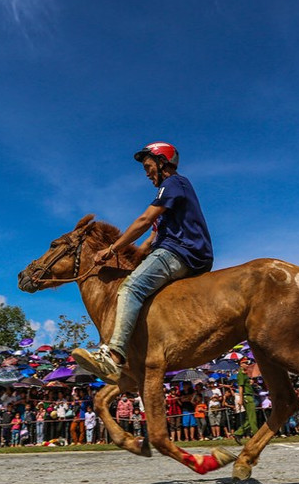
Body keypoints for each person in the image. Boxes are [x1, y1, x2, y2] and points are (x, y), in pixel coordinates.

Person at [73, 142, 213, 383]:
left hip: (181, 252)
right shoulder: (173, 197)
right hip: (183, 251)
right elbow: (151, 240)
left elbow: (144, 220)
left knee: (130, 287)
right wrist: (129, 256)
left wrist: (111, 248)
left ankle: (114, 356)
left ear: (162, 163)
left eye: (148, 166)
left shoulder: (173, 184)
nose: (147, 173)